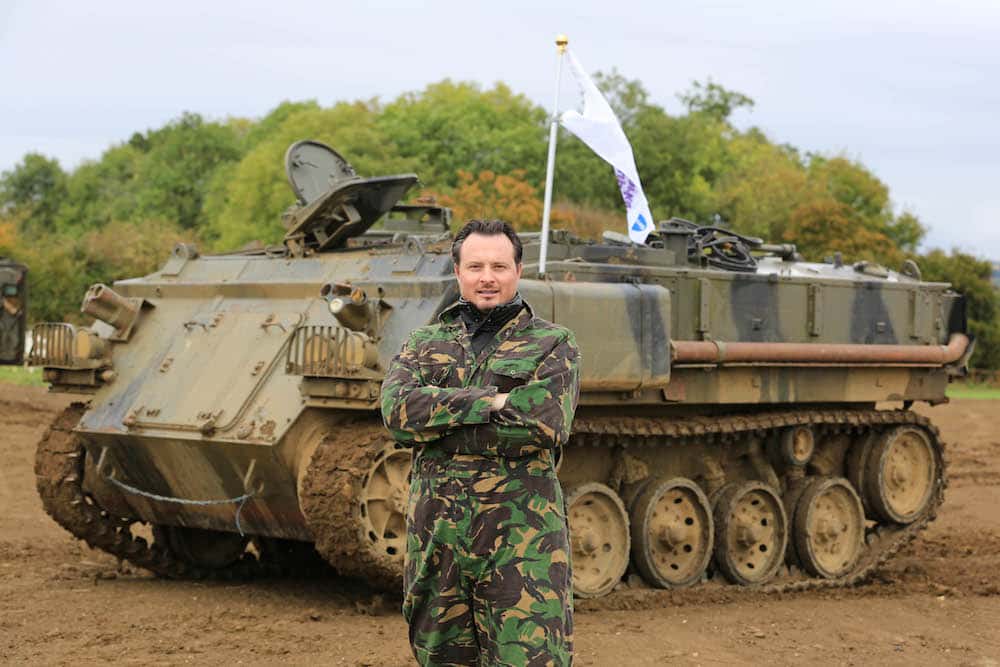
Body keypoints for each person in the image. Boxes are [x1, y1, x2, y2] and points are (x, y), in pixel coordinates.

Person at [381, 219, 580, 667]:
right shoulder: (424, 341)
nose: (486, 277)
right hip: (438, 542)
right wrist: (491, 400)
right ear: (458, 273)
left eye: (498, 265)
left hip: (521, 547)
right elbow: (396, 412)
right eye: (475, 266)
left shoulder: (552, 343)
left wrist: (438, 418)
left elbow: (542, 423)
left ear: (517, 270)